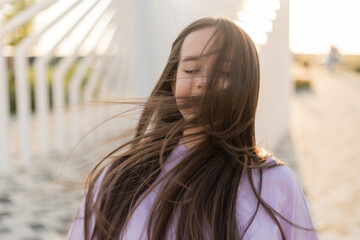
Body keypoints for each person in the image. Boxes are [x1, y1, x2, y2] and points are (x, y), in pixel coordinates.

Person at [66, 17, 319, 240]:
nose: (203, 82)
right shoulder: (121, 177)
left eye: (224, 72)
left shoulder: (276, 183)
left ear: (248, 86)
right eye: (191, 69)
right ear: (173, 83)